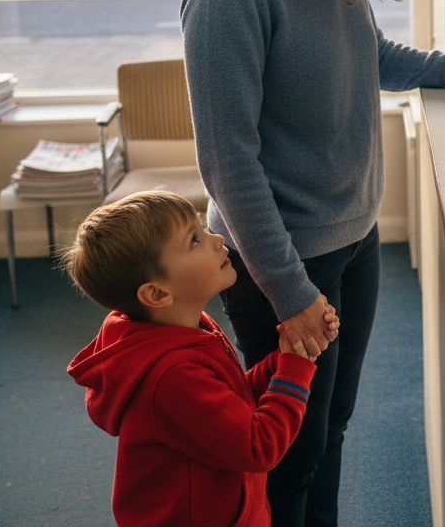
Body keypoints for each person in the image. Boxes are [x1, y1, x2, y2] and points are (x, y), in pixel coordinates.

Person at [180, 0, 445, 526]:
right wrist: (291, 292)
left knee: (330, 430)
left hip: (353, 241)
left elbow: (372, 55)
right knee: (289, 456)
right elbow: (228, 163)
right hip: (284, 260)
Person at [65, 191, 337, 527]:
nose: (217, 238)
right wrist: (295, 370)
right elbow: (257, 447)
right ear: (157, 294)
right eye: (195, 240)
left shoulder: (189, 328)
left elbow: (227, 401)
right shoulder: (171, 375)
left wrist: (282, 360)